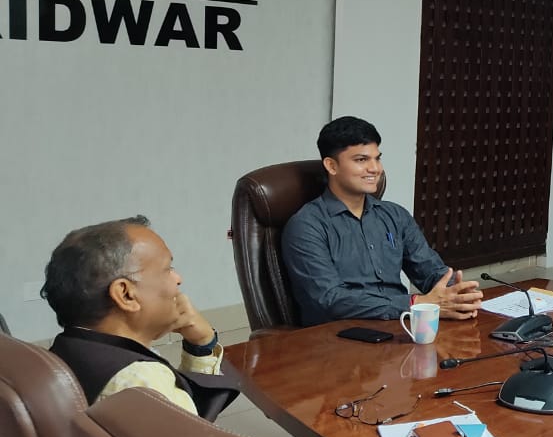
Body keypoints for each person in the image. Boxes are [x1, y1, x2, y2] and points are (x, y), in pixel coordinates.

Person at [282, 116, 483, 326]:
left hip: (400, 324)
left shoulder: (395, 215)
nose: (375, 169)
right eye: (361, 160)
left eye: (377, 159)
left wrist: (456, 293)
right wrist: (414, 303)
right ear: (332, 166)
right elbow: (331, 300)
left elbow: (430, 271)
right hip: (340, 333)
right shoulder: (306, 226)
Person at [42, 216, 239, 421]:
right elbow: (194, 434)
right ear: (126, 294)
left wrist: (200, 346)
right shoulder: (141, 383)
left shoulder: (64, 352)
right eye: (167, 269)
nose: (178, 279)